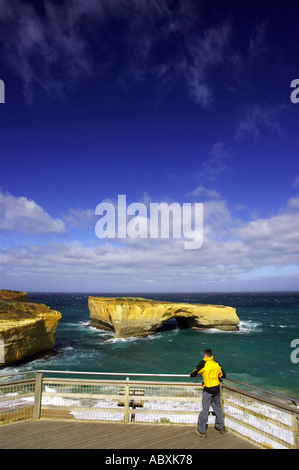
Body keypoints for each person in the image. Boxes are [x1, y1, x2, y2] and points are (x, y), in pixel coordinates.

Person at [190, 348, 226, 438]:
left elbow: (194, 373)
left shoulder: (203, 363)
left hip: (208, 389)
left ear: (205, 355)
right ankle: (220, 427)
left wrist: (191, 374)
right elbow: (223, 375)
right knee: (217, 407)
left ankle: (201, 431)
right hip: (217, 388)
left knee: (205, 409)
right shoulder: (216, 363)